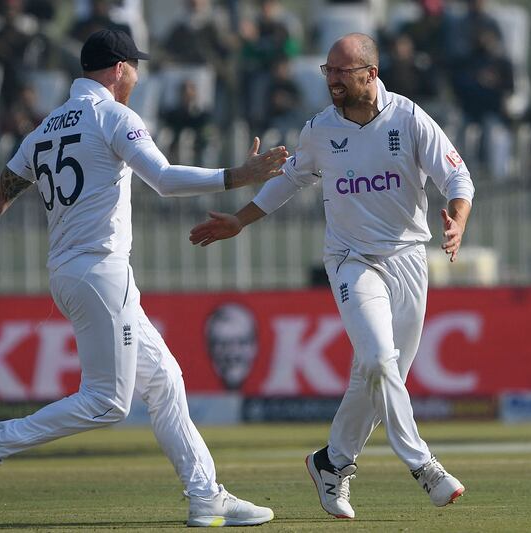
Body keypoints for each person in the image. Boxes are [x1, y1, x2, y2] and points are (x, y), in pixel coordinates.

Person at [0, 29, 287, 527]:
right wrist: (238, 176)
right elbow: (165, 178)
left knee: (166, 379)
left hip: (69, 273)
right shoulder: (112, 115)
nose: (137, 76)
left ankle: (205, 496)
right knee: (108, 402)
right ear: (118, 69)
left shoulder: (43, 130)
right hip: (100, 271)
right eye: (135, 67)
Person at [190, 33, 474, 519]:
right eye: (328, 71)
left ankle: (333, 462)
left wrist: (457, 219)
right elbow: (289, 181)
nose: (333, 80)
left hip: (408, 260)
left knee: (379, 375)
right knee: (380, 360)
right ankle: (423, 465)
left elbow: (458, 178)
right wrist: (240, 219)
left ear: (371, 74)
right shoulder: (319, 130)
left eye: (342, 72)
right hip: (350, 260)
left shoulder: (407, 118)